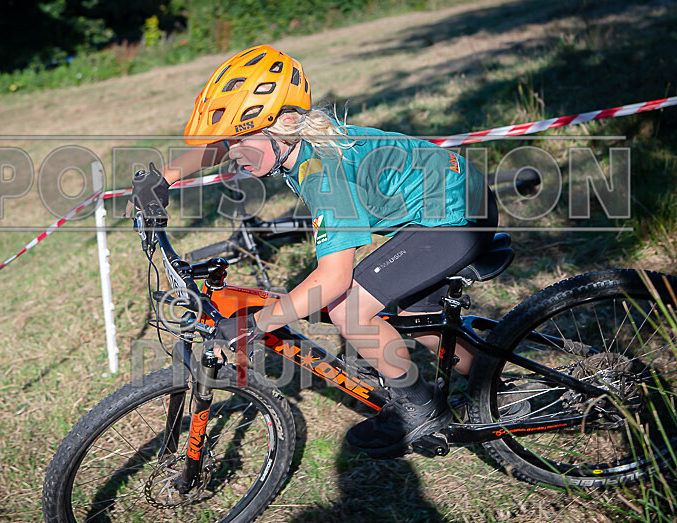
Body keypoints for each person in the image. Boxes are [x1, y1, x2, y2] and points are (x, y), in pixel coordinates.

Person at [129, 44, 498, 458]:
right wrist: (166, 177)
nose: (233, 153)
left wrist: (256, 324)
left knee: (349, 308)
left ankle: (421, 409)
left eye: (242, 140)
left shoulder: (325, 175)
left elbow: (333, 279)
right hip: (458, 198)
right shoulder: (295, 140)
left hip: (459, 218)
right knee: (416, 316)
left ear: (285, 123)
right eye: (232, 141)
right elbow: (222, 146)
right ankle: (496, 387)